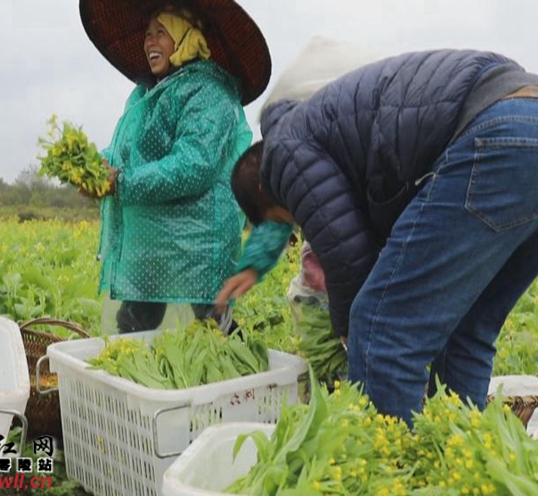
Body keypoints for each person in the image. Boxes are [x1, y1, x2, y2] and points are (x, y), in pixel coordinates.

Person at [217, 49, 538, 425]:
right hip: (520, 117)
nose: (296, 223)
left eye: (282, 219)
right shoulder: (326, 129)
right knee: (465, 331)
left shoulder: (283, 153)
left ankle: (390, 475)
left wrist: (355, 337)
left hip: (496, 133)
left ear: (264, 188)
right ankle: (455, 462)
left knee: (380, 328)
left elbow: (347, 254)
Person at [78, 0, 271, 333]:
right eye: (148, 34)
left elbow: (194, 164)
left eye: (161, 33)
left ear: (185, 37)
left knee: (212, 322)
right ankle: (133, 383)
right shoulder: (145, 95)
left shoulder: (210, 91)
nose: (149, 42)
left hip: (197, 236)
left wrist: (122, 183)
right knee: (134, 321)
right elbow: (126, 150)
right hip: (152, 235)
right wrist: (97, 170)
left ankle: (240, 382)